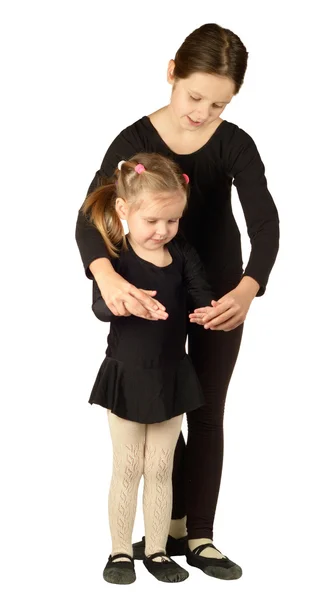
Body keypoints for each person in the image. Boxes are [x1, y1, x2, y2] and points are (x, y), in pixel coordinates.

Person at [75, 22, 279, 580]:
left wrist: (247, 288)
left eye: (218, 103)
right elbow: (88, 218)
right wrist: (106, 279)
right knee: (161, 408)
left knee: (206, 411)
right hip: (151, 293)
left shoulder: (234, 143)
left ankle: (201, 534)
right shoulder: (133, 140)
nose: (201, 112)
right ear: (172, 71)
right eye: (194, 96)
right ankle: (164, 528)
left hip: (219, 297)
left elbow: (265, 222)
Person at [82, 152, 216, 584]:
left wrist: (206, 312)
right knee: (128, 464)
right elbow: (101, 307)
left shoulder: (182, 254)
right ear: (124, 211)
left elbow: (200, 292)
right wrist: (126, 301)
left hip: (170, 373)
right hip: (126, 373)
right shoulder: (115, 261)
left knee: (160, 466)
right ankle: (121, 551)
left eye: (172, 222)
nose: (162, 231)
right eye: (153, 221)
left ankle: (157, 550)